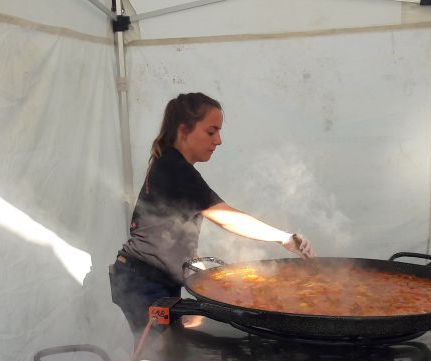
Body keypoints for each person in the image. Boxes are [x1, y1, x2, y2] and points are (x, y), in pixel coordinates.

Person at [110, 92, 315, 337]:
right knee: (160, 358)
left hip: (150, 279)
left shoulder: (171, 163)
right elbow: (226, 218)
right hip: (142, 282)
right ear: (184, 130)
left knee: (170, 354)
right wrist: (284, 238)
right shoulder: (175, 168)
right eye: (211, 131)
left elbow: (170, 228)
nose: (218, 140)